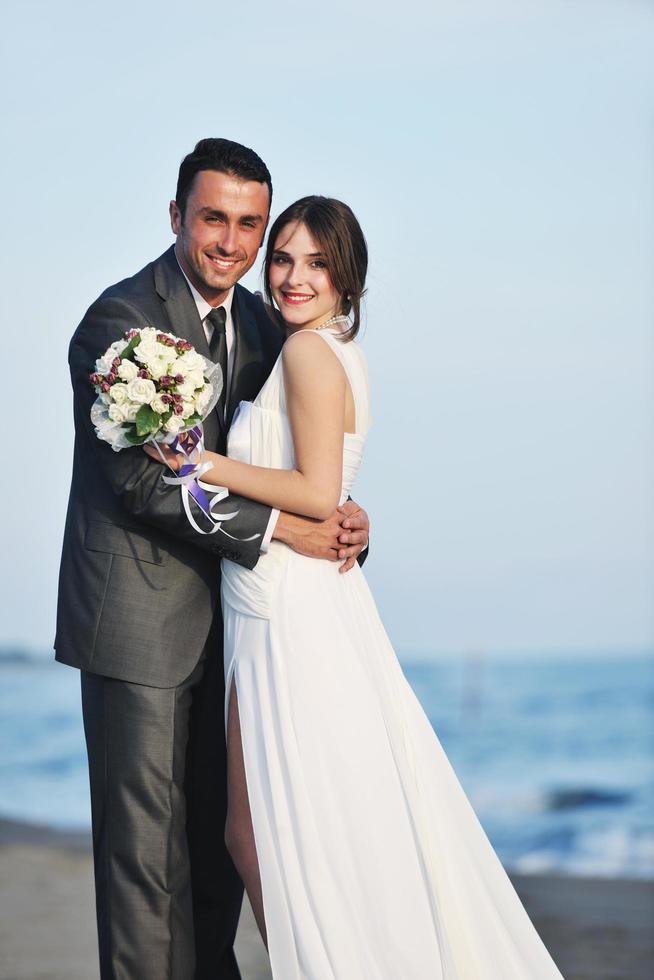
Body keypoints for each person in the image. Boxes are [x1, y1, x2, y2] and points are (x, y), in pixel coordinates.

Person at [148, 196, 566, 978]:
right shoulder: (329, 351)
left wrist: (200, 462)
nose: (293, 277)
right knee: (298, 827)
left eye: (315, 262)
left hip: (287, 610)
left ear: (348, 275)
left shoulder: (308, 354)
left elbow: (315, 490)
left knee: (267, 834)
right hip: (287, 601)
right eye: (283, 258)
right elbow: (330, 491)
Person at [55, 141, 370, 980]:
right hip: (138, 623)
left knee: (218, 859)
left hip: (241, 633)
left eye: (249, 225)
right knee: (145, 867)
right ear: (177, 217)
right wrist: (280, 531)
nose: (232, 242)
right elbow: (139, 485)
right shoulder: (118, 322)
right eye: (214, 218)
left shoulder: (271, 327)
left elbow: (303, 465)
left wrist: (343, 522)